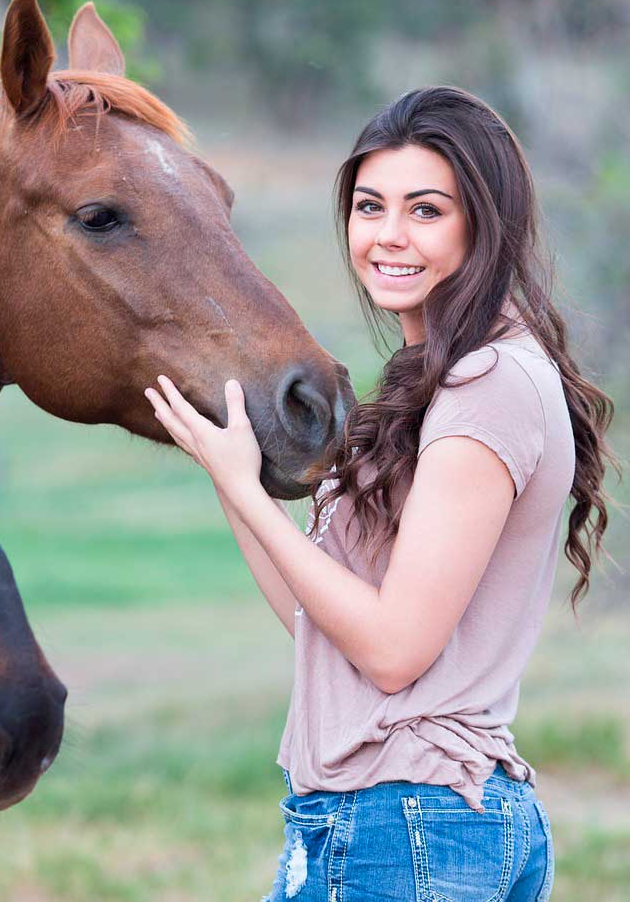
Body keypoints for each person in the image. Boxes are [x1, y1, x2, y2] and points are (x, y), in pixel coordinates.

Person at [146, 86, 615, 901]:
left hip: (409, 831)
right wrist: (231, 474)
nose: (388, 237)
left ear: (484, 224)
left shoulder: (488, 382)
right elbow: (318, 624)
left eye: (425, 210)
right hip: (400, 827)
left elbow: (394, 652)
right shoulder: (444, 377)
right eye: (370, 207)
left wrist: (243, 490)